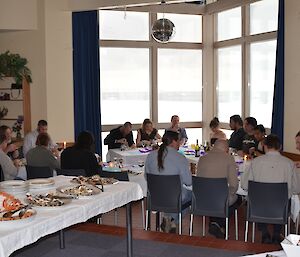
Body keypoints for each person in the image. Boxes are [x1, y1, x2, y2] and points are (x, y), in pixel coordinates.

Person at [241, 134, 299, 244]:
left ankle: (264, 232)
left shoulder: (255, 162)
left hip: (258, 207)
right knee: (284, 200)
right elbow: (296, 188)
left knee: (257, 198)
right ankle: (277, 233)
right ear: (280, 147)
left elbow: (244, 185)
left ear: (264, 146)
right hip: (280, 208)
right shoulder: (290, 164)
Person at [145, 131, 192, 233]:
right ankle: (171, 219)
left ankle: (169, 219)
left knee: (176, 195)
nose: (180, 143)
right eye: (179, 140)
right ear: (173, 142)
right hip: (174, 197)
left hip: (155, 196)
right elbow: (188, 182)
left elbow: (146, 177)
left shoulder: (150, 156)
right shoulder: (180, 158)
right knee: (192, 195)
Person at [196, 139, 241, 238]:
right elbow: (234, 184)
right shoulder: (229, 158)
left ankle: (215, 223)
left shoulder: (202, 158)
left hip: (202, 198)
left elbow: (199, 178)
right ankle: (220, 224)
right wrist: (231, 192)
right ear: (226, 149)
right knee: (237, 198)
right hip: (220, 199)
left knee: (216, 197)